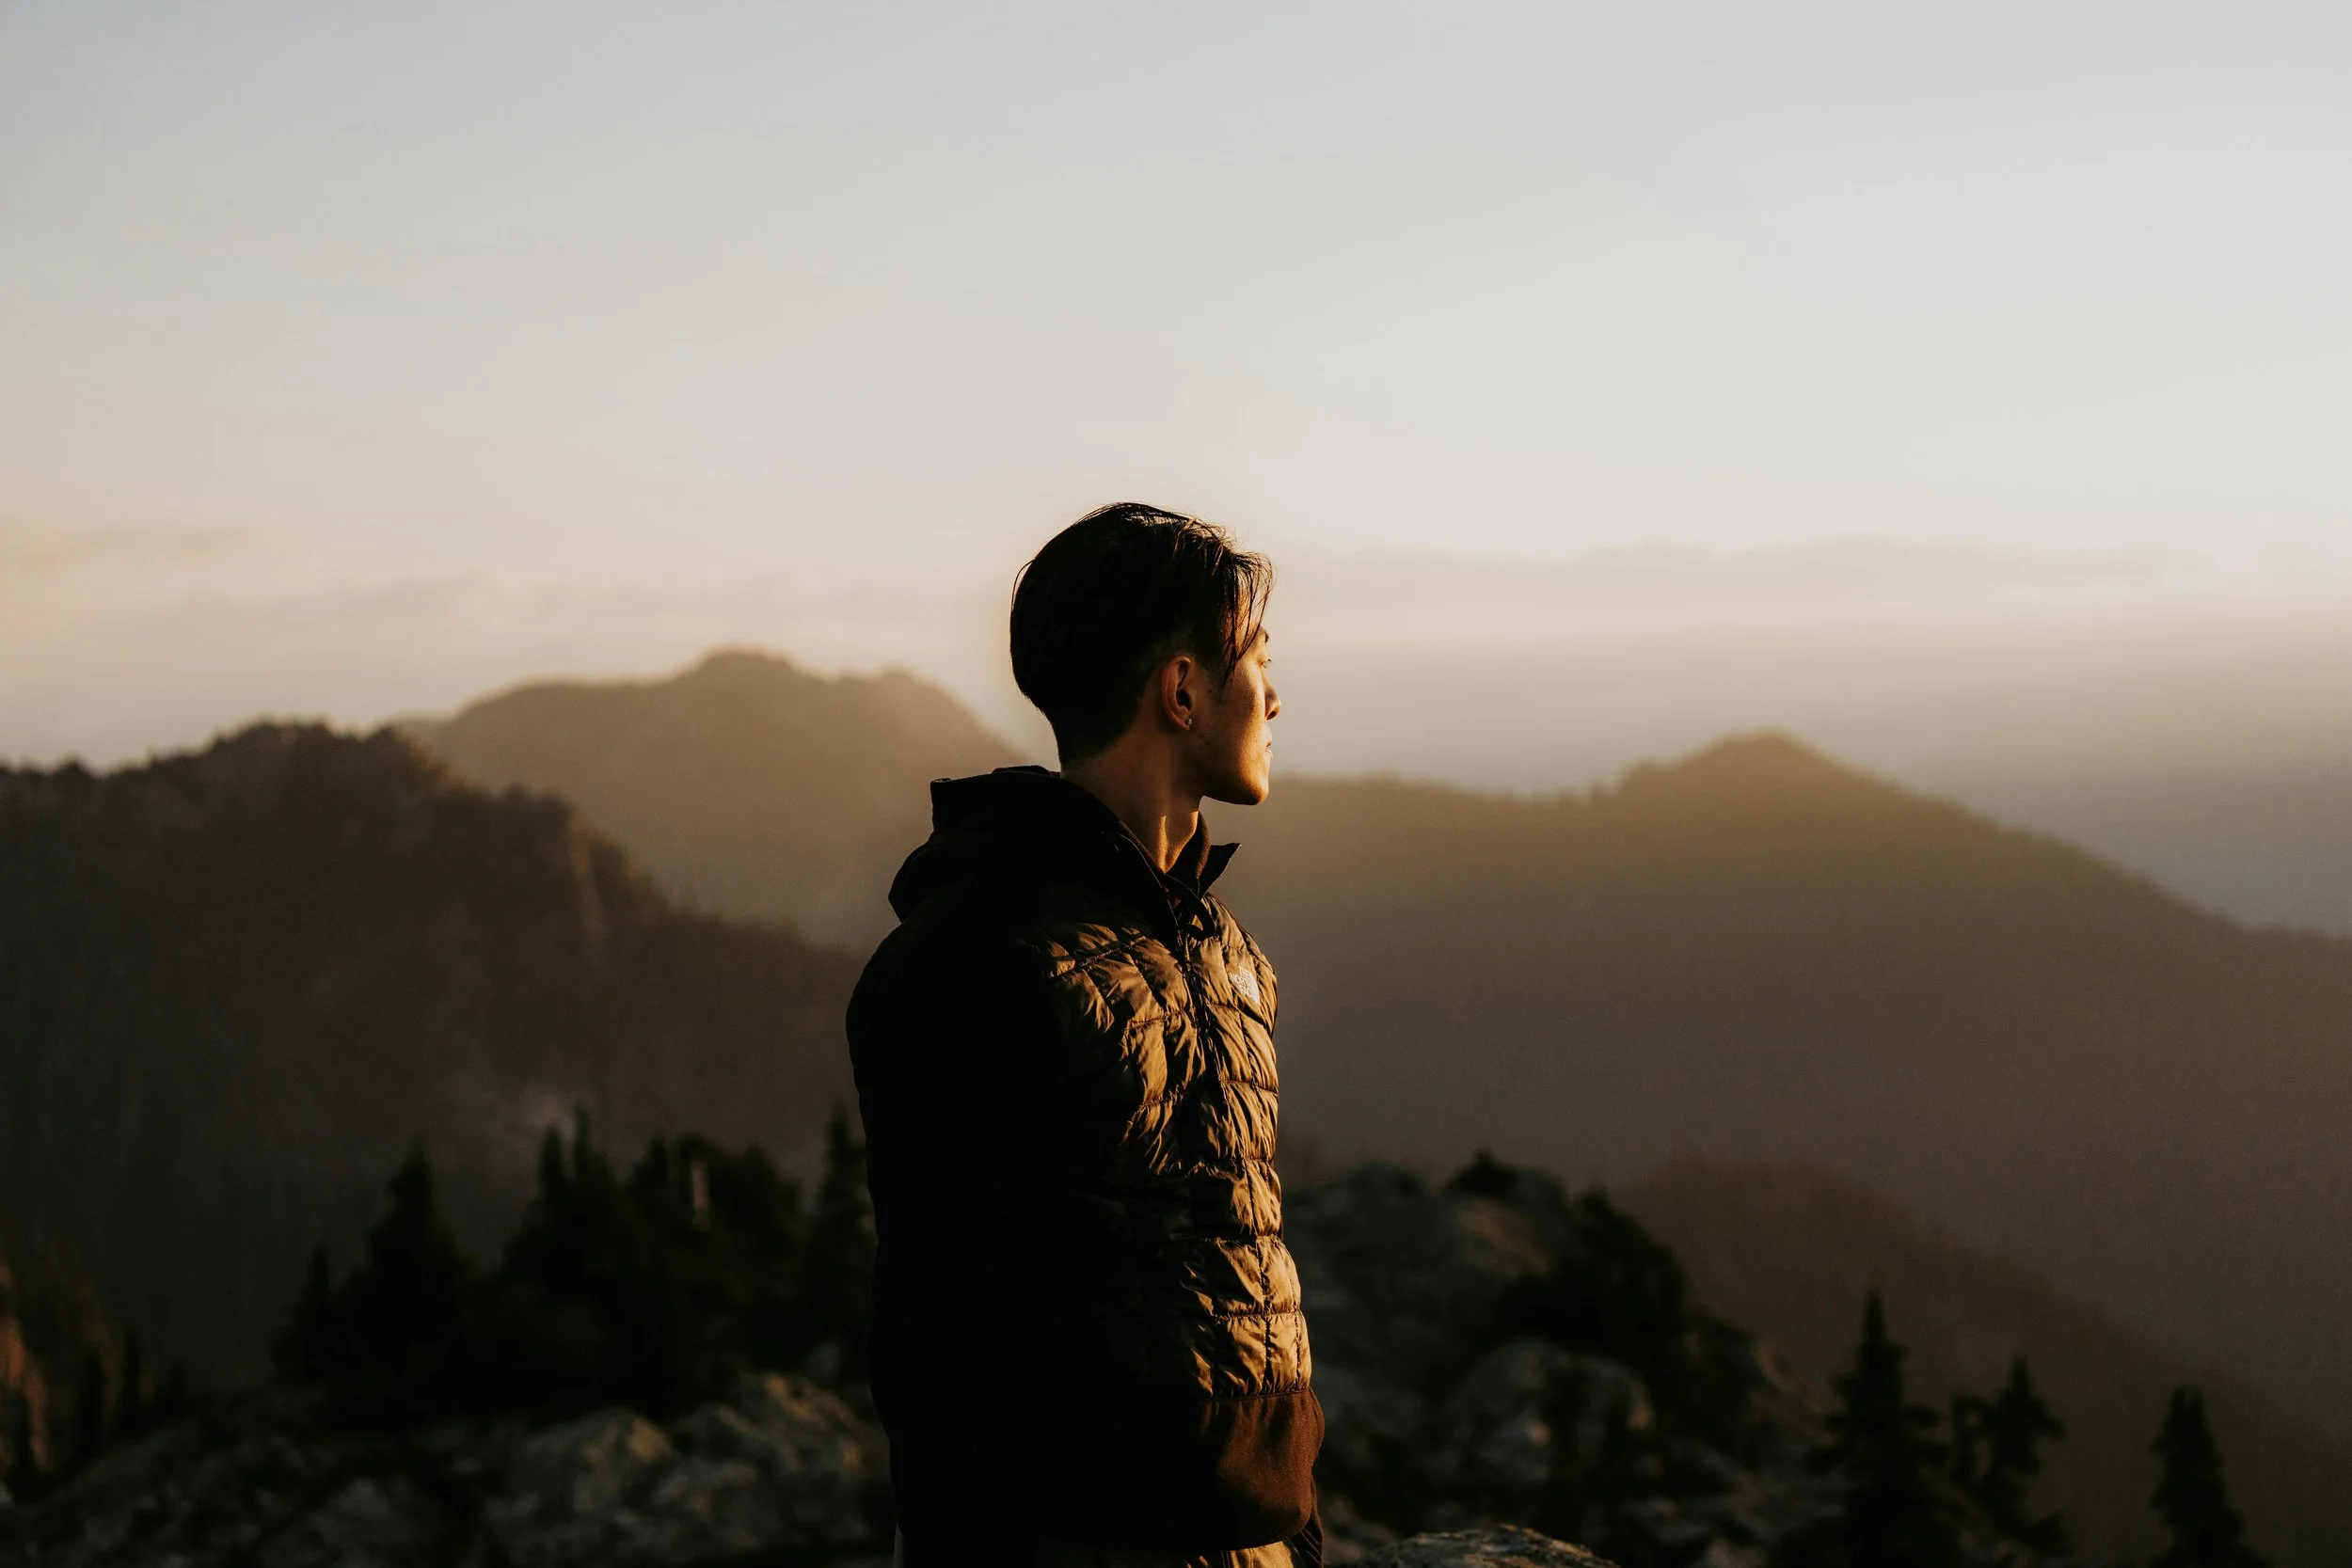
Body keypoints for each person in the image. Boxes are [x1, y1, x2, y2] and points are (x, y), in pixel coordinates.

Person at [847, 503, 1321, 1568]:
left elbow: (1236, 1265)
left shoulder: (1221, 951)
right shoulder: (981, 960)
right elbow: (940, 1338)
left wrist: (1296, 1529)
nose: (1277, 696)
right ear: (1182, 689)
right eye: (1256, 659)